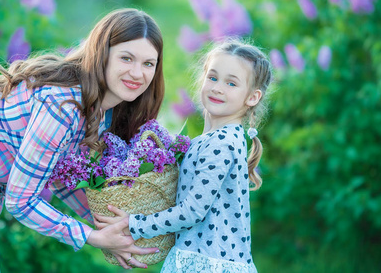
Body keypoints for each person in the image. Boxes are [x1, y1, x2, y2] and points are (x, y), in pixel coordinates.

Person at [0, 8, 165, 272]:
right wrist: (92, 237)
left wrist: (111, 227)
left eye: (148, 64)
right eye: (126, 58)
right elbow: (21, 200)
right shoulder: (64, 106)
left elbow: (60, 176)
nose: (137, 73)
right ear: (102, 55)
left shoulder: (101, 111)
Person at [94, 38, 274, 272]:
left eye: (231, 83)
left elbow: (192, 211)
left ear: (252, 97)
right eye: (212, 78)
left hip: (208, 264)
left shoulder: (222, 142)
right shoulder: (211, 140)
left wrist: (133, 223)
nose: (218, 87)